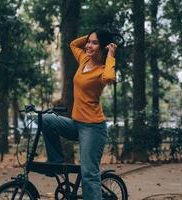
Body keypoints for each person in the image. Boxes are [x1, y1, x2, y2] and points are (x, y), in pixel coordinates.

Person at [42, 29, 118, 200]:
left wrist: (111, 53)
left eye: (94, 43)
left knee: (89, 175)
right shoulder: (84, 59)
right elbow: (73, 44)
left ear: (103, 47)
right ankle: (55, 162)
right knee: (45, 120)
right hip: (76, 124)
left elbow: (110, 78)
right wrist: (92, 34)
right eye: (89, 42)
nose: (89, 45)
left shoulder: (102, 70)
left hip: (93, 128)